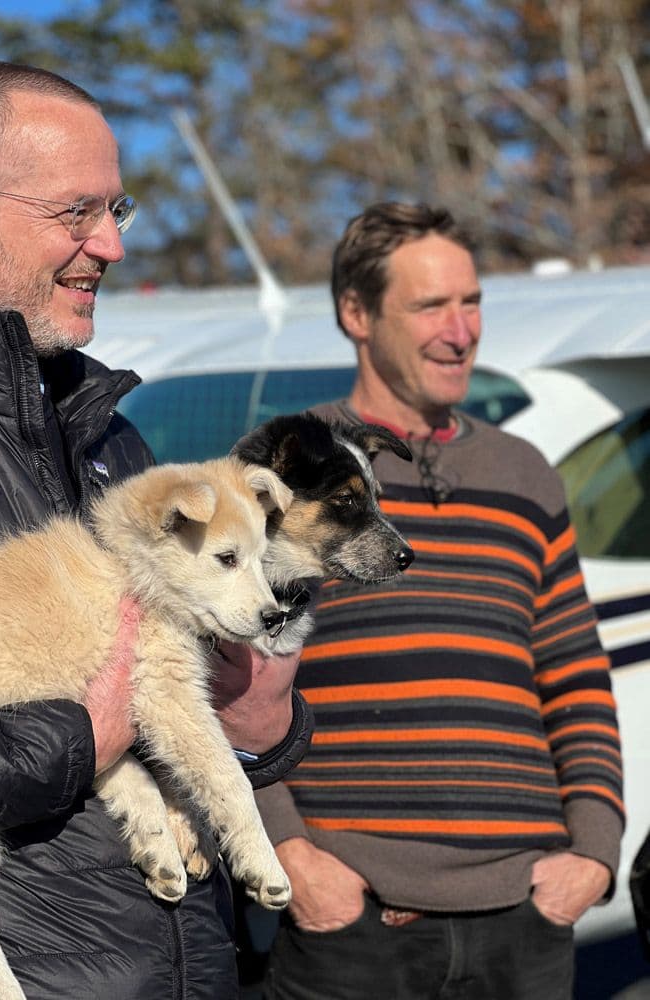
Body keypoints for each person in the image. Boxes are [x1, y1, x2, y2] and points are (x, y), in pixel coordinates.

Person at [0, 60, 311, 999]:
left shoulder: (109, 436)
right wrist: (81, 737)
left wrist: (261, 726)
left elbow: (187, 707)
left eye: (114, 212)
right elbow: (106, 716)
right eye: (73, 213)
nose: (112, 247)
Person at [254, 202, 624, 999]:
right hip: (353, 925)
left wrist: (594, 850)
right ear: (356, 313)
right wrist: (291, 854)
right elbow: (225, 685)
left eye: (472, 301)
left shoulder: (525, 473)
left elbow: (574, 672)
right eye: (429, 306)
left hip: (525, 920)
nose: (461, 331)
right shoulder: (292, 465)